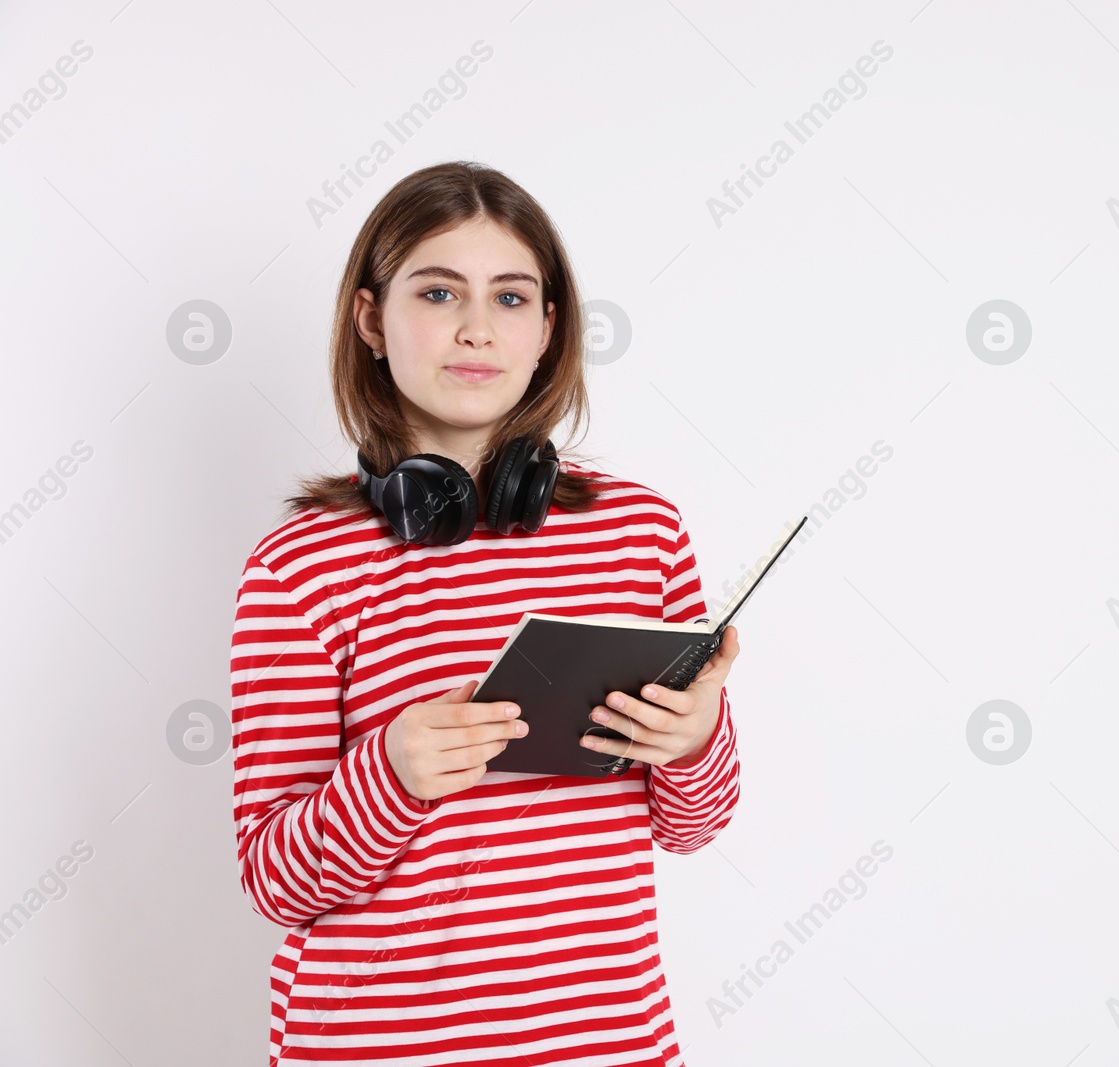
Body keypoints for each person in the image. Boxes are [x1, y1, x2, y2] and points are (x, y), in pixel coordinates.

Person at [229, 160, 741, 1066]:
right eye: (438, 291)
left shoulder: (641, 532)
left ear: (548, 328)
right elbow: (274, 881)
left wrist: (695, 737)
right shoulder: (299, 565)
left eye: (511, 298)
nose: (475, 328)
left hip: (608, 1044)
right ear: (369, 319)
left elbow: (692, 824)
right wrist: (388, 772)